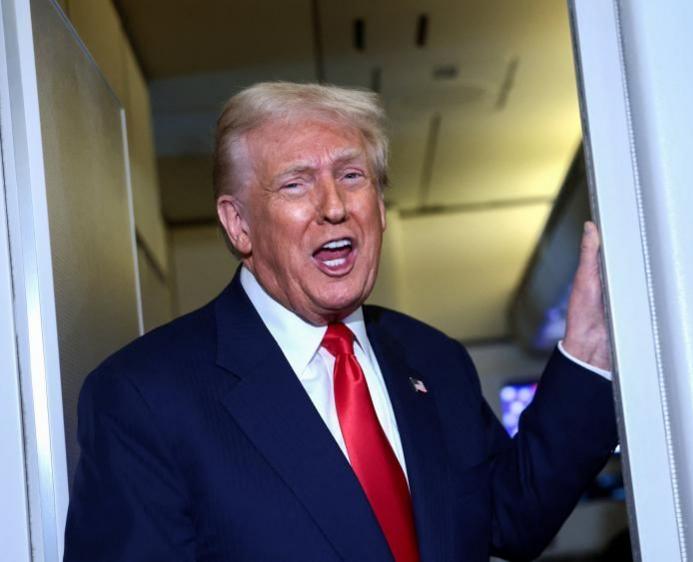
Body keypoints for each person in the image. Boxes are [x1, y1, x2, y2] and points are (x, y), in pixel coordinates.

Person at [62, 82, 618, 562]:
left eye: (352, 175)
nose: (334, 206)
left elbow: (514, 519)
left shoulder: (433, 359)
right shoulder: (144, 398)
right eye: (295, 184)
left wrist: (587, 353)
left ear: (379, 207)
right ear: (238, 225)